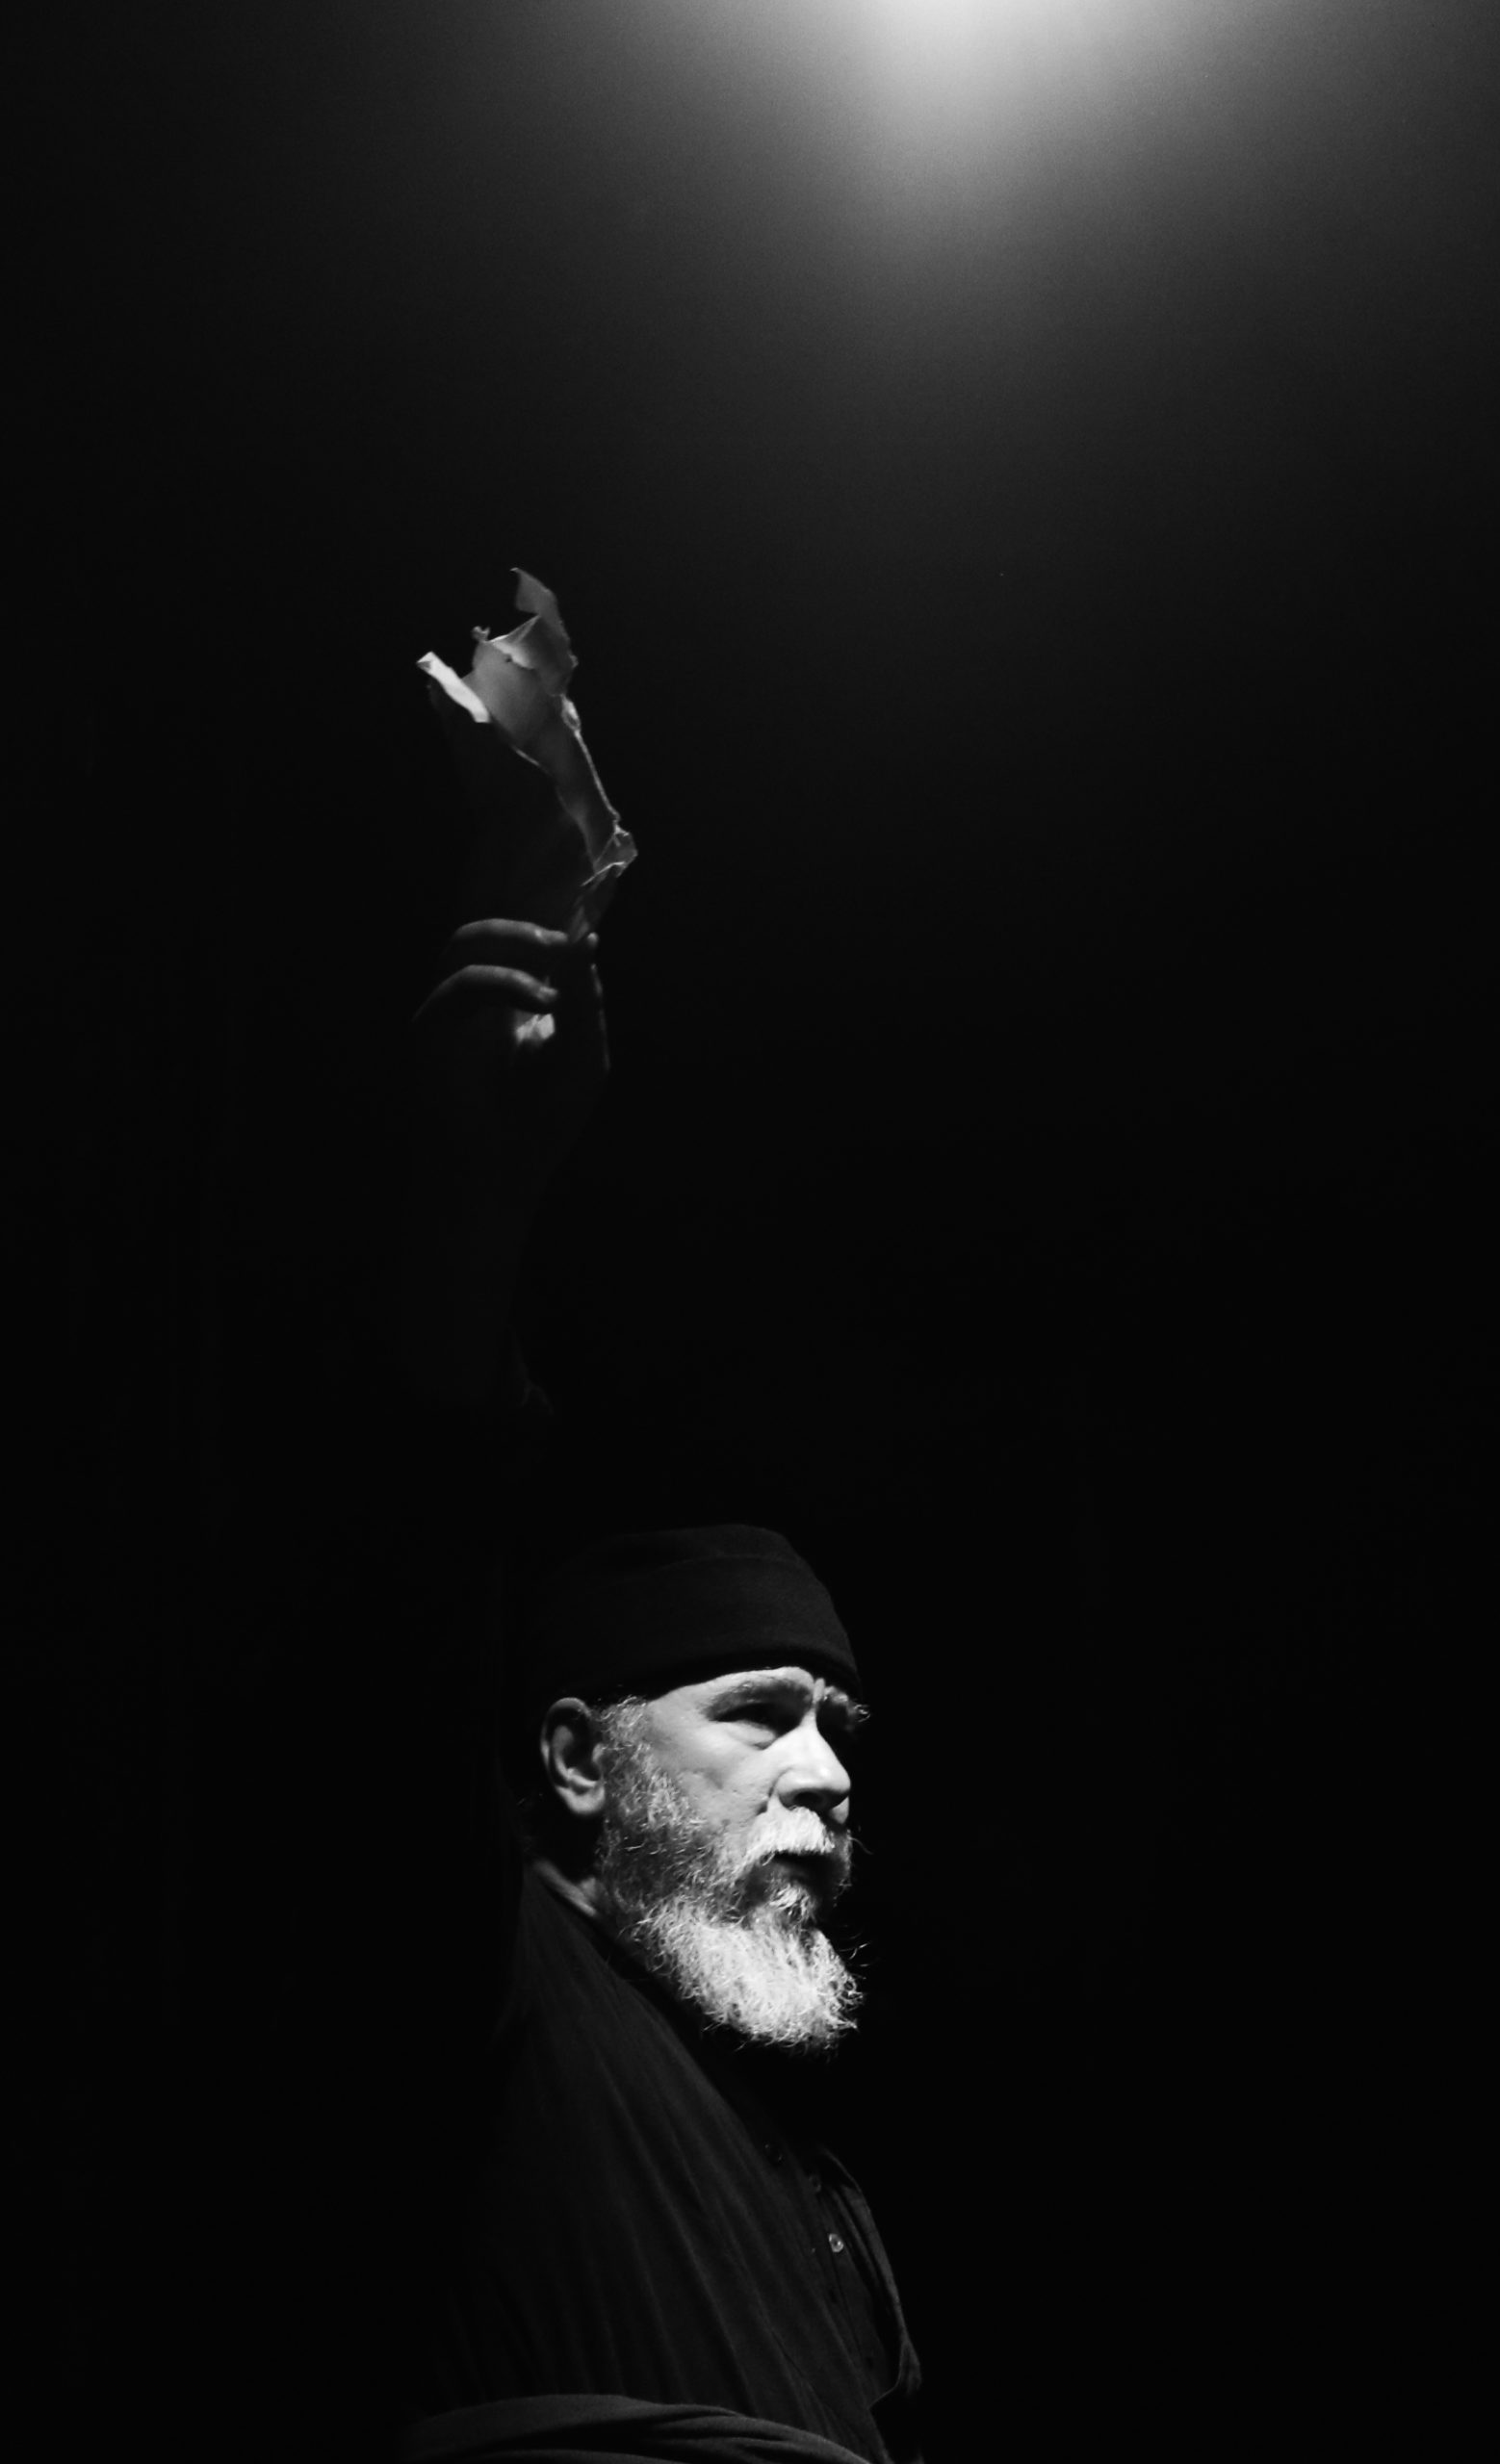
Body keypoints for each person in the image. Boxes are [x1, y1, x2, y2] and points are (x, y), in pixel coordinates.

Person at [359, 913, 925, 2464]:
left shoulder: (811, 2181)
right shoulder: (490, 1970)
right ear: (577, 1759)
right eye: (757, 1713)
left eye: (837, 1728)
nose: (827, 1774)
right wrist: (475, 1197)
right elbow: (411, 1570)